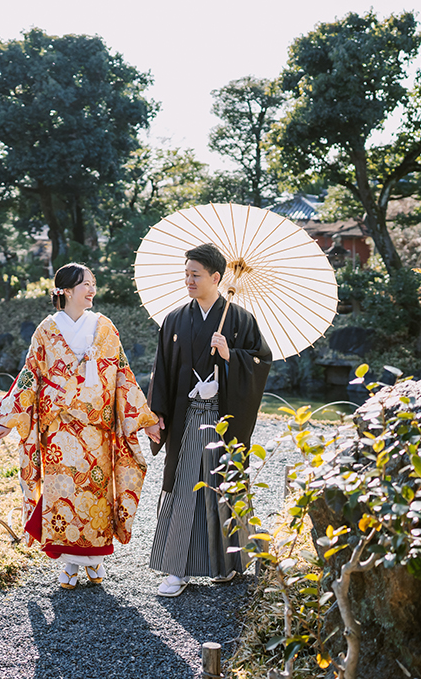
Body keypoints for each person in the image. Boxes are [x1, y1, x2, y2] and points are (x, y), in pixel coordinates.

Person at [0, 263, 164, 588]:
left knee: (95, 493)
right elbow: (29, 376)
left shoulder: (104, 327)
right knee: (63, 495)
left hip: (96, 429)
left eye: (93, 283)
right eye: (86, 284)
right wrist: (6, 420)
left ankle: (95, 561)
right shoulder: (46, 330)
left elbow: (123, 375)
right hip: (58, 431)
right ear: (66, 290)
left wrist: (145, 420)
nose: (92, 289)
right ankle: (69, 564)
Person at [147, 243, 271, 597]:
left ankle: (226, 565)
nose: (188, 280)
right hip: (186, 419)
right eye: (186, 273)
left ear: (217, 277)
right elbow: (163, 372)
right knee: (184, 486)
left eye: (195, 275)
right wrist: (156, 415)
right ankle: (176, 569)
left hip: (221, 418)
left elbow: (262, 361)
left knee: (223, 486)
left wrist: (232, 356)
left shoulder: (241, 319)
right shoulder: (174, 320)